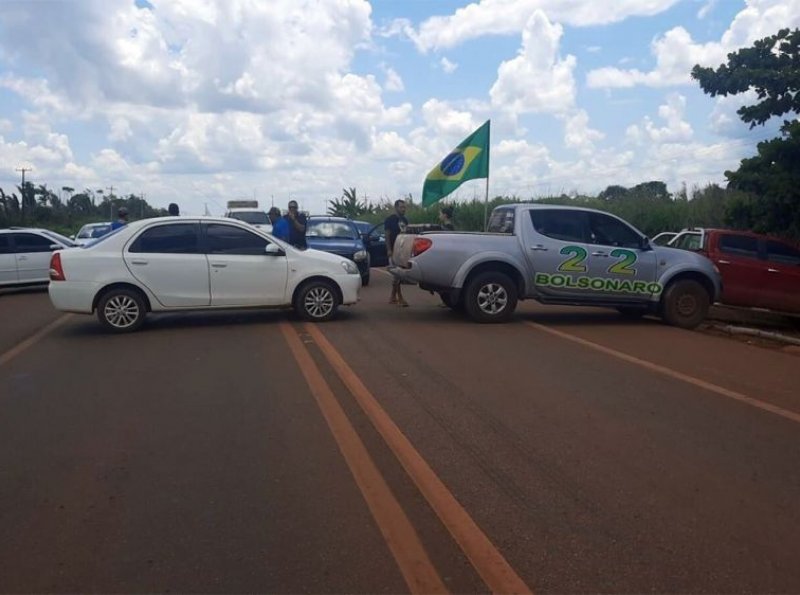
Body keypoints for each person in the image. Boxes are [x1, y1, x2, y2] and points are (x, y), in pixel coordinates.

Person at [384, 199, 409, 307]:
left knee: (398, 274)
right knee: (396, 274)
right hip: (393, 250)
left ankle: (393, 297)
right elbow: (387, 235)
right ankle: (399, 297)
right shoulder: (390, 220)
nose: (403, 209)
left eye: (404, 207)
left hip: (402, 250)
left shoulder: (405, 220)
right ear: (396, 208)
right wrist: (389, 249)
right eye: (401, 207)